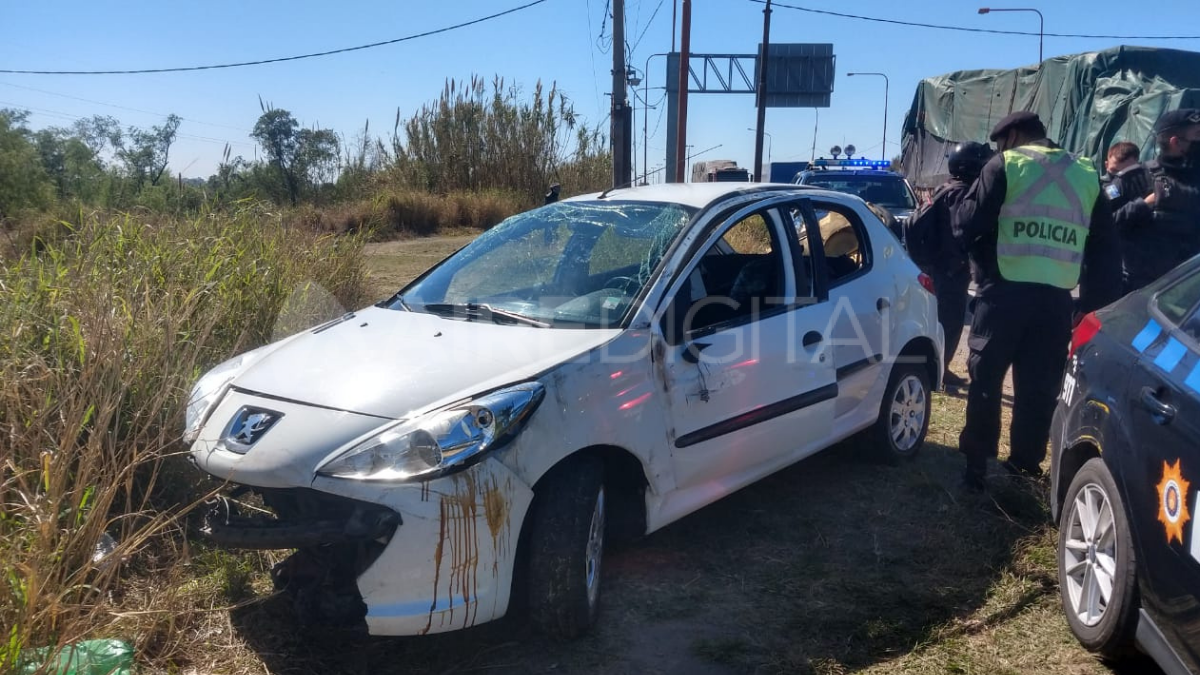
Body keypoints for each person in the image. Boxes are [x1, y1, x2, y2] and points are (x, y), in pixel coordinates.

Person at [951, 111, 1121, 492]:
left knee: (986, 383)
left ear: (1012, 135)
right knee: (1038, 389)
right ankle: (1024, 467)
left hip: (1002, 294)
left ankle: (976, 469)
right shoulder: (1086, 172)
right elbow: (1106, 251)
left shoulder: (1006, 165)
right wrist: (1090, 305)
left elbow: (965, 225)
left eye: (1000, 141)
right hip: (1057, 300)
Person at [905, 142, 993, 390]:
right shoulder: (960, 193)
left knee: (943, 320)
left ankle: (942, 367)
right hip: (950, 269)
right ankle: (940, 370)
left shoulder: (945, 188)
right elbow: (961, 230)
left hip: (940, 266)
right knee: (950, 322)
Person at [1112, 109, 1200, 294]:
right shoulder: (1133, 179)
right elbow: (1103, 225)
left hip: (1182, 296)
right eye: (1198, 135)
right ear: (1176, 142)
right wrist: (1144, 205)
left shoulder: (1195, 182)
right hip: (1133, 293)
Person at [1101, 141, 1151, 212]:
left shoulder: (1145, 182)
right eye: (1114, 170)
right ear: (1106, 165)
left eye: (1128, 171)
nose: (1121, 175)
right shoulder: (1105, 188)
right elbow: (1108, 216)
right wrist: (1144, 203)